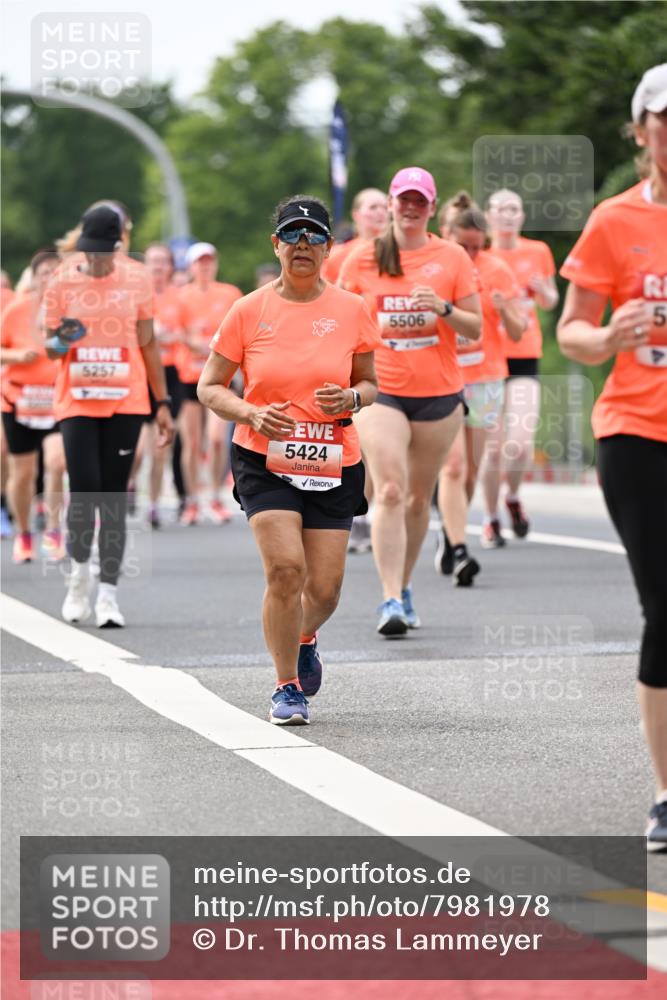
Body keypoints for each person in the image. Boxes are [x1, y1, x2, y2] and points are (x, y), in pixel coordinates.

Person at [198, 195, 381, 725]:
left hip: (333, 457)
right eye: (293, 236)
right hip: (264, 456)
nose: (303, 245)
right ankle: (286, 687)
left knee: (323, 590)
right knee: (285, 571)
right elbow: (210, 387)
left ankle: (304, 636)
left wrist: (352, 399)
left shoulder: (351, 309)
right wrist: (251, 413)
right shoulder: (248, 310)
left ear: (328, 248)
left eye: (314, 237)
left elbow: (370, 382)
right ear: (275, 244)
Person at [557, 63, 667, 850]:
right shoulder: (613, 222)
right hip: (637, 432)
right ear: (640, 132)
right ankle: (666, 792)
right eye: (663, 120)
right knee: (665, 608)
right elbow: (571, 329)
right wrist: (609, 337)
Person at [339, 167, 481, 635]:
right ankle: (388, 600)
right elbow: (339, 322)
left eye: (420, 200)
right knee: (392, 490)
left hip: (439, 392)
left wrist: (441, 308)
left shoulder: (452, 256)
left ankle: (403, 585)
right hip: (383, 391)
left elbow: (475, 327)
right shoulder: (362, 259)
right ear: (393, 204)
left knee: (420, 499)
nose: (411, 207)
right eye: (404, 199)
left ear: (432, 207)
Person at [44, 204, 174, 627]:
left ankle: (109, 595)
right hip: (77, 401)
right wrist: (66, 335)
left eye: (104, 252)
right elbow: (50, 349)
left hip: (127, 400)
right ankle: (78, 579)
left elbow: (148, 343)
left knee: (115, 497)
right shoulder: (62, 279)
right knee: (84, 491)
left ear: (119, 246)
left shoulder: (136, 278)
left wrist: (162, 403)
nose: (96, 261)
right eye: (90, 252)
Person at [435, 194, 525, 583]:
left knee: (471, 470)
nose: (471, 253)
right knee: (452, 467)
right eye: (463, 246)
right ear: (448, 235)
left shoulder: (497, 269)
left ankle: (449, 530)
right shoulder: (436, 266)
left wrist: (505, 308)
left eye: (477, 246)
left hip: (486, 378)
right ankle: (459, 545)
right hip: (443, 376)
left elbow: (519, 333)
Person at [480, 189, 558, 547]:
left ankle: (512, 497)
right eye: (501, 209)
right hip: (486, 359)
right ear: (489, 216)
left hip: (525, 354)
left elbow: (552, 299)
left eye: (514, 209)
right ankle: (491, 517)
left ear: (522, 216)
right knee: (493, 449)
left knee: (520, 443)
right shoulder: (479, 254)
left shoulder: (537, 252)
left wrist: (544, 293)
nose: (508, 216)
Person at [1, 249, 66, 563]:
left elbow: (66, 351)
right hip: (19, 399)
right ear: (35, 276)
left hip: (56, 400)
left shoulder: (72, 313)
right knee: (23, 474)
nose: (50, 279)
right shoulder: (16, 310)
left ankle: (54, 531)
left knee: (56, 462)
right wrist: (16, 356)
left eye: (57, 273)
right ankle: (24, 533)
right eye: (45, 273)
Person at [176, 242, 242, 525]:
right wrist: (200, 342)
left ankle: (214, 496)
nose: (204, 266)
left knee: (216, 439)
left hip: (221, 376)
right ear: (191, 267)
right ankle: (191, 501)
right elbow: (177, 334)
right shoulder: (180, 297)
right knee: (192, 442)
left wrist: (210, 345)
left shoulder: (230, 294)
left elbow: (237, 332)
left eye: (209, 261)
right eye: (199, 262)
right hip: (189, 376)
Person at [142, 243, 186, 528]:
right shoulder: (135, 296)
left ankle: (153, 504)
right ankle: (127, 493)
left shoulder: (181, 298)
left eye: (162, 261)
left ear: (170, 266)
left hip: (171, 374)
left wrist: (168, 335)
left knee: (161, 446)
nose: (158, 266)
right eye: (152, 261)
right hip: (141, 374)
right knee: (136, 450)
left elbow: (190, 332)